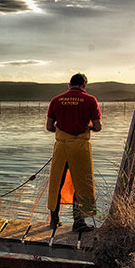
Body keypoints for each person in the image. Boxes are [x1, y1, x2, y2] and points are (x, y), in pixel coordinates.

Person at [46, 73, 102, 232]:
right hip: (80, 147)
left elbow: (49, 127)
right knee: (82, 183)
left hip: (61, 147)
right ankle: (79, 222)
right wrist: (88, 127)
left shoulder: (56, 100)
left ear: (69, 85)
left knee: (57, 182)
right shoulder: (90, 100)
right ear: (84, 85)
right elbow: (98, 127)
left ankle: (54, 219)